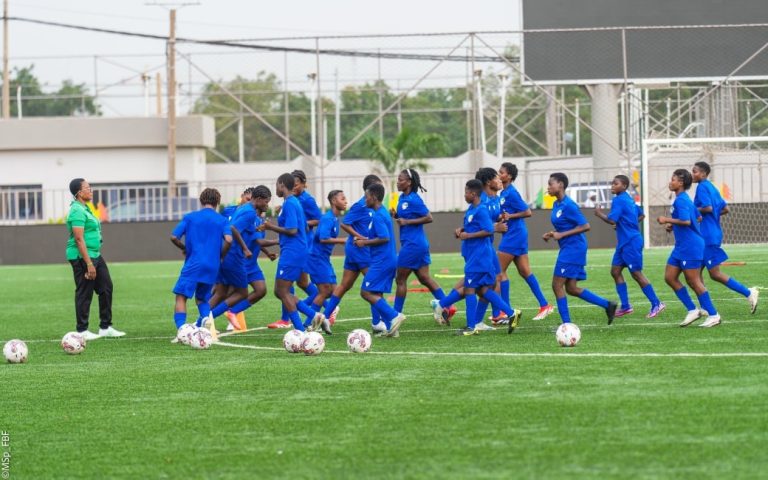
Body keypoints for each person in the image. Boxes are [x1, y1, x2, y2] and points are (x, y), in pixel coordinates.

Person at [543, 173, 617, 325]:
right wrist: (552, 234)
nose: (548, 187)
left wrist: (561, 234)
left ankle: (566, 324)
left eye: (551, 184)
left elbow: (585, 226)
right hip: (569, 248)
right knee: (571, 288)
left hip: (573, 249)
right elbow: (565, 226)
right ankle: (607, 305)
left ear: (561, 185)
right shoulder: (557, 204)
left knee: (557, 285)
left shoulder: (569, 205)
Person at [323, 175, 387, 334]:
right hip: (360, 250)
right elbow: (345, 222)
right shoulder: (361, 205)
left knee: (344, 285)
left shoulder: (373, 207)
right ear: (369, 190)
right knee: (374, 286)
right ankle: (378, 323)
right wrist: (360, 237)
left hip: (357, 250)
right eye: (377, 187)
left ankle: (324, 318)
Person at [692, 161, 759, 313]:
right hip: (711, 233)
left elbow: (708, 208)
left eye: (695, 171)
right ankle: (705, 307)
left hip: (707, 235)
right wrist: (712, 215)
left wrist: (692, 211)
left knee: (714, 274)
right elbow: (725, 209)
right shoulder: (712, 187)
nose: (692, 174)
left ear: (703, 173)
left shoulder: (702, 187)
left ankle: (749, 293)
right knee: (695, 273)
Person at [595, 175, 665, 318]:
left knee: (636, 274)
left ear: (624, 186)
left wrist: (598, 214)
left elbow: (610, 220)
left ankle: (656, 303)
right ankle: (626, 306)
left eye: (615, 183)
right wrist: (625, 224)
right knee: (615, 271)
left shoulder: (619, 200)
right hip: (624, 242)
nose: (612, 186)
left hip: (631, 242)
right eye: (612, 183)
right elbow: (641, 215)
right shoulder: (629, 199)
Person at [657, 168, 721, 327]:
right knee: (670, 277)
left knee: (694, 282)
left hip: (691, 247)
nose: (670, 182)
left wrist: (667, 220)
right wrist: (674, 225)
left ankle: (714, 315)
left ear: (681, 183)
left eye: (673, 179)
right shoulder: (683, 198)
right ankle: (693, 310)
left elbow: (686, 221)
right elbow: (697, 217)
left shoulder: (682, 200)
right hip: (681, 247)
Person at [262, 173, 326, 331]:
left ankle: (301, 330)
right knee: (282, 291)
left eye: (276, 185)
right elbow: (302, 226)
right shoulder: (291, 203)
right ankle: (314, 315)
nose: (275, 188)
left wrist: (270, 227)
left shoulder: (290, 203)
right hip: (294, 250)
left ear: (282, 184)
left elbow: (292, 230)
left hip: (292, 251)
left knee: (282, 291)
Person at [455, 179, 517, 336]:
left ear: (473, 194)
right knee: (483, 290)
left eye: (466, 192)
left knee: (469, 289)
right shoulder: (471, 209)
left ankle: (471, 327)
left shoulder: (481, 210)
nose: (464, 195)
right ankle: (511, 313)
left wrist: (467, 235)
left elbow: (489, 229)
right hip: (477, 256)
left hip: (479, 256)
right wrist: (462, 231)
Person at [65, 178, 125, 340]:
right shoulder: (77, 210)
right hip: (82, 257)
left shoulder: (86, 208)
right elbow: (78, 239)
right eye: (87, 188)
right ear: (79, 192)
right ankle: (82, 330)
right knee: (85, 291)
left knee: (106, 288)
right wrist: (88, 263)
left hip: (95, 254)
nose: (91, 190)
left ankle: (105, 327)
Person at [170, 188, 233, 341]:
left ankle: (182, 331)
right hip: (212, 265)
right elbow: (229, 240)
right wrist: (220, 256)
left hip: (194, 263)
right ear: (217, 202)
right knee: (202, 299)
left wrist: (184, 248)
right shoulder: (222, 220)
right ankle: (205, 320)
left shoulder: (190, 217)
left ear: (201, 200)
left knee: (181, 297)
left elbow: (173, 237)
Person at [496, 162, 554, 321]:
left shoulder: (512, 193)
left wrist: (510, 216)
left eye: (501, 172)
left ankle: (505, 312)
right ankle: (544, 305)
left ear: (509, 176)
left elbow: (527, 212)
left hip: (514, 235)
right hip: (516, 234)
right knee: (525, 271)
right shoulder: (503, 193)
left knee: (497, 272)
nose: (499, 174)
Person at [392, 168, 450, 315]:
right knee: (424, 278)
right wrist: (397, 215)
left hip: (413, 245)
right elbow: (404, 218)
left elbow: (429, 217)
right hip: (418, 244)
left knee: (400, 280)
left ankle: (394, 316)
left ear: (409, 182)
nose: (397, 182)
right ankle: (447, 307)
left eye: (401, 179)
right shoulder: (402, 198)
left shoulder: (414, 199)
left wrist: (407, 221)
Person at [223, 185, 279, 329]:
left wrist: (267, 253)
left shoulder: (258, 217)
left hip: (251, 262)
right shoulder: (245, 212)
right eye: (267, 201)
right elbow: (232, 228)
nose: (268, 205)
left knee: (260, 290)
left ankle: (232, 313)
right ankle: (203, 319)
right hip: (240, 259)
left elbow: (256, 239)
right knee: (225, 293)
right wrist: (245, 248)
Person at [355, 183, 406, 337]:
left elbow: (384, 238)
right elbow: (379, 236)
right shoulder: (381, 212)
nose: (365, 199)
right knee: (377, 293)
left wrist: (364, 243)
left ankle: (393, 316)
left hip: (382, 261)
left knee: (366, 292)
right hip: (386, 259)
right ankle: (392, 328)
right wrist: (362, 238)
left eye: (367, 196)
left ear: (374, 197)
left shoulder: (378, 216)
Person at [303, 189, 348, 334]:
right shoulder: (328, 218)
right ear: (334, 201)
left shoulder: (334, 218)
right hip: (316, 258)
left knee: (334, 291)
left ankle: (321, 319)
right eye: (342, 198)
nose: (346, 201)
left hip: (323, 259)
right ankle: (308, 323)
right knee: (324, 291)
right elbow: (323, 238)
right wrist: (343, 241)